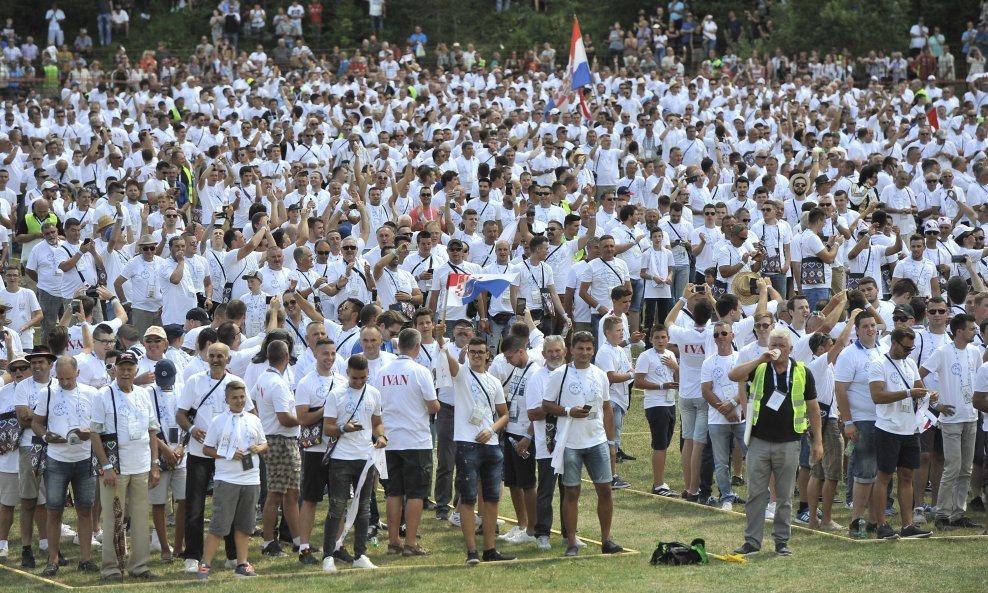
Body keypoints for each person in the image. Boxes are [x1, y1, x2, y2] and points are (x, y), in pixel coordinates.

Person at [728, 328, 823, 556]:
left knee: (785, 496)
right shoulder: (760, 368)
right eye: (774, 345)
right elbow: (733, 375)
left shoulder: (802, 372)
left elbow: (813, 409)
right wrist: (761, 358)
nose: (777, 349)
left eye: (782, 345)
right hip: (759, 441)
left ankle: (781, 542)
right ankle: (752, 542)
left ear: (790, 349)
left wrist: (818, 441)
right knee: (755, 494)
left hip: (789, 442)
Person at [541, 331, 623, 557]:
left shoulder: (600, 375)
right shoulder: (560, 374)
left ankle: (606, 539)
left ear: (593, 350)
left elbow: (607, 408)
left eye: (588, 349)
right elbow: (546, 405)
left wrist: (611, 441)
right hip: (570, 442)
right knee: (572, 492)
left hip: (596, 440)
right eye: (580, 348)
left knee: (605, 489)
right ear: (571, 349)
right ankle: (571, 542)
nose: (585, 353)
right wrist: (568, 411)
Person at [175, 343, 245, 573]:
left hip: (227, 456)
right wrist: (192, 429)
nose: (215, 359)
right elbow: (181, 414)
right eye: (211, 355)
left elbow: (249, 413)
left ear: (228, 359)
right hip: (199, 453)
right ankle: (193, 555)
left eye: (220, 356)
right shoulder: (195, 381)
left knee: (230, 504)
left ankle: (233, 555)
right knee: (195, 506)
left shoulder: (235, 384)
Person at [91, 351, 161, 581]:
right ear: (114, 370)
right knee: (113, 518)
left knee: (141, 519)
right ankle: (111, 568)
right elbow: (95, 434)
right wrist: (106, 467)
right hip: (116, 468)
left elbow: (152, 431)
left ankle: (139, 566)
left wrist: (154, 464)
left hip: (141, 465)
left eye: (130, 368)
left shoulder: (144, 394)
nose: (125, 372)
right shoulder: (103, 395)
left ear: (136, 370)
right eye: (121, 367)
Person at [445, 335, 514, 564]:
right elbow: (450, 361)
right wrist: (440, 340)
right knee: (468, 498)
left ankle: (490, 549)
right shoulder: (462, 374)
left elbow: (504, 414)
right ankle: (472, 552)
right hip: (467, 443)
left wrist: (492, 430)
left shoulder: (493, 382)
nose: (475, 355)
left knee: (492, 498)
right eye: (471, 352)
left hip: (491, 444)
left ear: (487, 355)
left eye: (479, 352)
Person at [374, 328, 439, 556]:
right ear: (417, 347)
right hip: (416, 439)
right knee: (415, 493)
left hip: (390, 439)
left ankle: (393, 542)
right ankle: (410, 542)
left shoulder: (381, 372)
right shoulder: (420, 371)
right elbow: (433, 406)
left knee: (393, 492)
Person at [32, 356, 99, 576]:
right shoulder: (47, 393)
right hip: (56, 459)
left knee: (85, 509)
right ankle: (53, 559)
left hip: (84, 458)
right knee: (54, 510)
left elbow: (101, 426)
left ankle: (86, 558)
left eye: (69, 378)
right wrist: (45, 436)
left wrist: (88, 433)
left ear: (78, 374)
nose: (65, 382)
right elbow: (36, 422)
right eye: (60, 378)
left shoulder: (92, 393)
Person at [320, 354, 386, 572]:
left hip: (365, 458)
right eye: (355, 378)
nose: (358, 382)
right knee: (337, 506)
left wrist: (381, 437)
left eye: (363, 378)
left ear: (368, 375)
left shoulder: (374, 393)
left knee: (364, 507)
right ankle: (328, 555)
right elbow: (327, 427)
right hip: (341, 458)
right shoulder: (335, 395)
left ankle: (361, 554)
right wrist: (343, 428)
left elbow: (376, 423)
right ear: (347, 372)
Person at [868, 327, 935, 539]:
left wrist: (929, 395)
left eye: (911, 348)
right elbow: (877, 396)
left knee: (907, 476)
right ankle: (882, 525)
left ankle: (907, 526)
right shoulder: (878, 364)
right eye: (906, 348)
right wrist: (908, 393)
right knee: (884, 476)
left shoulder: (910, 363)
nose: (908, 351)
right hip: (888, 428)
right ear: (894, 343)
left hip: (910, 428)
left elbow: (919, 389)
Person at [197, 380, 267, 579]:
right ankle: (205, 565)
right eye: (235, 398)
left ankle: (242, 563)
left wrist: (257, 449)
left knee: (245, 525)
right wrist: (227, 453)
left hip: (251, 479)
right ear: (227, 400)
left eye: (242, 397)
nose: (239, 401)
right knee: (219, 524)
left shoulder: (254, 420)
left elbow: (264, 444)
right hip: (227, 479)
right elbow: (207, 448)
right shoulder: (218, 421)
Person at [920, 313, 984, 530]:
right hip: (951, 419)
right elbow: (918, 375)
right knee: (952, 467)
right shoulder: (942, 352)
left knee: (966, 468)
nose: (975, 332)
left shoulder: (975, 352)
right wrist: (933, 403)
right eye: (971, 329)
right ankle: (942, 515)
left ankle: (958, 513)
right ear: (959, 331)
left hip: (971, 417)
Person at [834, 311, 883, 538]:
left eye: (873, 325)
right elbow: (841, 390)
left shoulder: (884, 351)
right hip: (862, 420)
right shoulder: (849, 354)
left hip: (885, 421)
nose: (871, 329)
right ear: (857, 329)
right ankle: (856, 521)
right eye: (865, 326)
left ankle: (875, 521)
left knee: (880, 474)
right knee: (864, 473)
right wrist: (849, 422)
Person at [253, 339, 302, 556]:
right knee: (275, 494)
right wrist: (306, 419)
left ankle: (299, 541)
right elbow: (284, 418)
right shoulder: (278, 383)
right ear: (287, 357)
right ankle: (268, 542)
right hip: (281, 441)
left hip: (275, 438)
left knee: (291, 493)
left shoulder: (264, 378)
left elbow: (252, 401)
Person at [700, 321, 745, 510]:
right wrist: (725, 410)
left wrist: (733, 404)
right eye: (717, 335)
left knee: (752, 456)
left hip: (741, 415)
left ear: (732, 336)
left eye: (724, 333)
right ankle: (726, 495)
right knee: (720, 461)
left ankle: (762, 494)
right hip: (718, 419)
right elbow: (706, 391)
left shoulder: (741, 358)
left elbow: (747, 387)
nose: (720, 338)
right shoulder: (709, 362)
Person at [634, 324, 680, 496]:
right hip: (655, 404)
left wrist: (676, 367)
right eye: (657, 338)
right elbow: (638, 381)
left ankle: (661, 482)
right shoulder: (646, 357)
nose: (660, 341)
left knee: (665, 443)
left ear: (668, 338)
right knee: (659, 444)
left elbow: (678, 380)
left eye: (663, 337)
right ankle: (658, 484)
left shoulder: (670, 355)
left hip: (670, 403)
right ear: (650, 339)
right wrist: (661, 385)